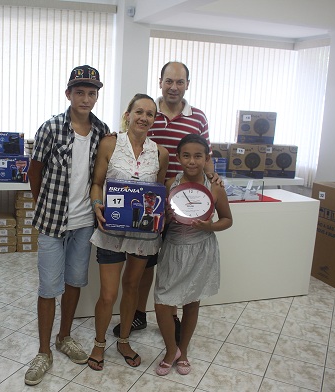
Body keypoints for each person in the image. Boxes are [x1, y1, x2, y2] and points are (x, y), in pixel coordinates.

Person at [112, 61, 221, 343]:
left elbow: (206, 155)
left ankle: (172, 317)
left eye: (180, 82)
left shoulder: (198, 117)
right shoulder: (149, 113)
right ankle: (139, 313)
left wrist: (213, 179)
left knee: (178, 263)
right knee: (147, 262)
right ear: (160, 81)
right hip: (152, 201)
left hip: (188, 203)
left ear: (187, 84)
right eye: (169, 81)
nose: (174, 87)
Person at [25, 65, 110, 386]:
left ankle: (64, 337)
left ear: (96, 96)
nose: (85, 98)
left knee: (74, 282)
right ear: (68, 94)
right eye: (80, 92)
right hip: (52, 221)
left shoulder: (101, 132)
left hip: (84, 223)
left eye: (91, 93)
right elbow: (35, 171)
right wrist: (41, 203)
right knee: (48, 288)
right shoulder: (51, 129)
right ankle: (43, 351)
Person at [87, 93, 169, 371]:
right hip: (110, 230)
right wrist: (97, 204)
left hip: (143, 235)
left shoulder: (160, 153)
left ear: (154, 120)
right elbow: (97, 182)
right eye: (139, 112)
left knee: (132, 287)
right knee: (108, 294)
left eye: (150, 114)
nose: (144, 118)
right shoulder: (110, 143)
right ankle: (99, 344)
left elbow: (158, 194)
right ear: (128, 114)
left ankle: (123, 340)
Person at [154, 134, 232, 376]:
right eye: (186, 155)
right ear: (178, 158)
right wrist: (164, 215)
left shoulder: (215, 187)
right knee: (162, 302)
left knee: (191, 302)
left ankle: (183, 351)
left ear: (206, 158)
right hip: (174, 248)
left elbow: (228, 220)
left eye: (198, 156)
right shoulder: (170, 185)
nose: (192, 161)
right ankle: (170, 350)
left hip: (201, 249)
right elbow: (161, 221)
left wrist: (209, 226)